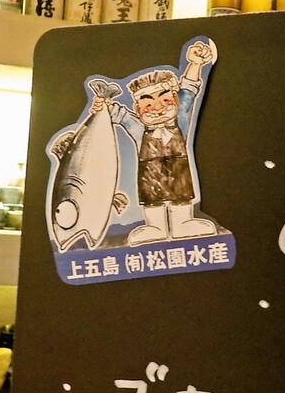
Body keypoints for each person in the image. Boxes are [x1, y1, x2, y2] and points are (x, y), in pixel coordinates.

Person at [91, 40, 217, 246]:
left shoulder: (180, 121)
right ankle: (156, 227)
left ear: (174, 99)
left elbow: (188, 91)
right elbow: (120, 115)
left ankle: (183, 224)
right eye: (148, 104)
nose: (157, 108)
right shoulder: (138, 128)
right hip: (150, 177)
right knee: (152, 201)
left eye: (165, 100)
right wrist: (103, 106)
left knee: (181, 198)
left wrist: (195, 64)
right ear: (138, 108)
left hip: (179, 174)